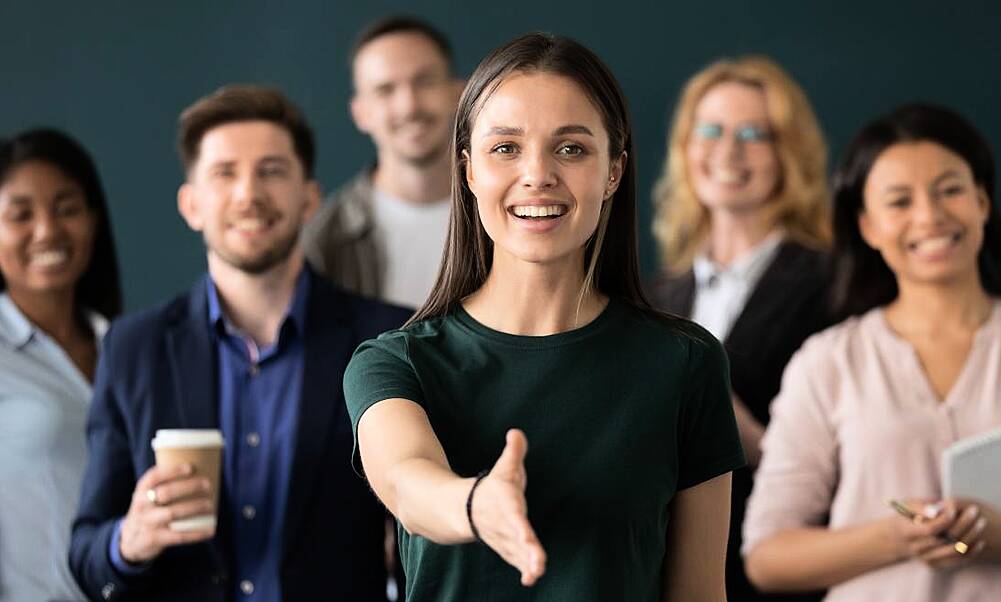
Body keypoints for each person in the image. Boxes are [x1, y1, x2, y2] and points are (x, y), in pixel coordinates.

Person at [343, 33, 743, 601]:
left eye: (572, 148)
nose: (537, 174)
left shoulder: (685, 363)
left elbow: (700, 593)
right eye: (505, 148)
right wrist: (477, 506)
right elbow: (408, 485)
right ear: (469, 170)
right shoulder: (395, 361)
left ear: (613, 171)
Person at [742, 104, 1001, 601]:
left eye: (950, 190)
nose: (929, 216)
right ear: (867, 226)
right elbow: (766, 557)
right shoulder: (827, 361)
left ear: (981, 201)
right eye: (899, 201)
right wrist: (893, 538)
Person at [68, 85, 411, 601]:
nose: (248, 194)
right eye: (224, 173)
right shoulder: (133, 348)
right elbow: (86, 551)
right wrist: (129, 540)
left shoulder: (387, 339)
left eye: (271, 170)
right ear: (192, 204)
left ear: (309, 199)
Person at [648, 56, 832, 601]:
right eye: (711, 131)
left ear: (788, 154)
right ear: (686, 146)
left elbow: (865, 471)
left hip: (773, 577)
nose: (728, 152)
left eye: (755, 134)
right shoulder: (657, 294)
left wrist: (751, 437)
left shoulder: (836, 284)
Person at [0, 128, 122, 602]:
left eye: (67, 208)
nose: (47, 230)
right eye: (20, 214)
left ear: (93, 220)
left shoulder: (128, 347)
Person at [302, 15, 463, 309]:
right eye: (385, 90)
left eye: (424, 81)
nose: (409, 106)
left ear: (458, 94)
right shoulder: (324, 241)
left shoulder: (507, 213)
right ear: (360, 113)